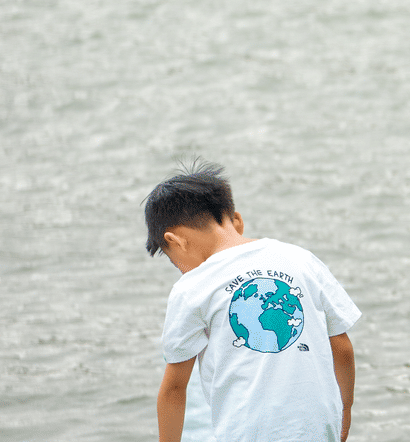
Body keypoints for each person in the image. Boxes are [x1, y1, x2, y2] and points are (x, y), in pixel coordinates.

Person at [146, 161, 360, 442]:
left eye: (175, 262)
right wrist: (345, 410)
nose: (182, 269)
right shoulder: (301, 259)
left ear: (176, 240)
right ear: (235, 219)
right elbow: (341, 346)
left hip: (249, 432)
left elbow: (174, 389)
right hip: (318, 428)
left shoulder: (192, 287)